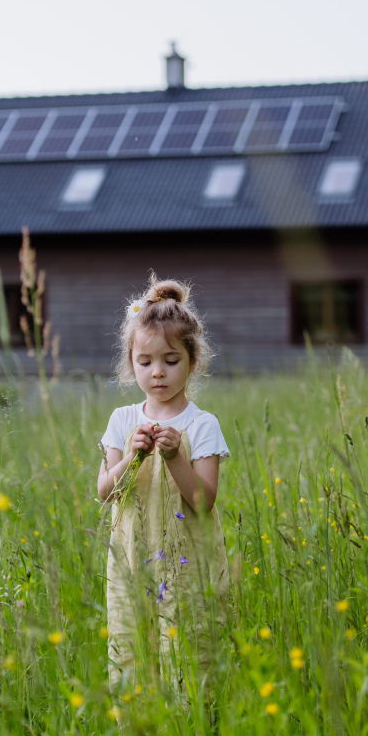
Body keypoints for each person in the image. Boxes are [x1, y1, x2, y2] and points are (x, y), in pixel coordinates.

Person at [98, 276, 230, 699]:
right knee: (131, 639)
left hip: (186, 559)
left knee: (188, 642)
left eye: (171, 361)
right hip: (132, 557)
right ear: (131, 363)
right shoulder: (122, 420)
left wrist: (174, 457)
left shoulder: (201, 424)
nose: (157, 372)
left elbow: (204, 502)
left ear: (193, 361)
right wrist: (130, 459)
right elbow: (104, 491)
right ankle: (137, 728)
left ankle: (191, 724)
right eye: (145, 362)